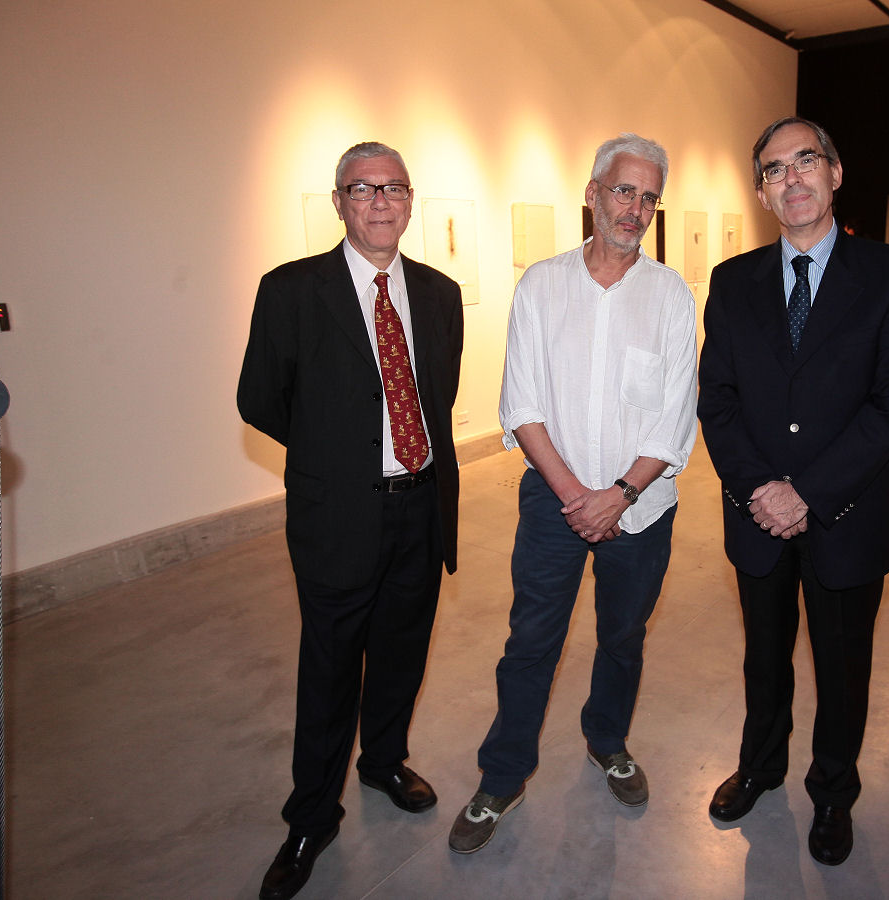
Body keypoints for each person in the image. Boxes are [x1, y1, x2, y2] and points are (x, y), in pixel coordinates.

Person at [447, 134, 697, 854]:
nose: (635, 209)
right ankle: (503, 776)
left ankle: (607, 741)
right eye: (623, 191)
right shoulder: (542, 286)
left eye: (649, 197)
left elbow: (676, 417)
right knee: (531, 641)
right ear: (591, 194)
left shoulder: (671, 297)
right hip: (553, 504)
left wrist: (619, 495)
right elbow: (522, 405)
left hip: (642, 508)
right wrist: (578, 498)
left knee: (622, 638)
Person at [697, 116, 889, 866]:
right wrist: (760, 489)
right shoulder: (733, 281)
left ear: (835, 173)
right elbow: (717, 399)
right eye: (774, 169)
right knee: (763, 658)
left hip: (846, 515)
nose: (791, 178)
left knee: (842, 667)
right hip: (756, 515)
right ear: (762, 193)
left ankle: (833, 792)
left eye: (805, 161)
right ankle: (760, 767)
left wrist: (807, 492)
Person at [238, 141, 463, 900]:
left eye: (393, 187)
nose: (379, 201)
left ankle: (384, 762)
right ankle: (311, 817)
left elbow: (437, 394)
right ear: (338, 201)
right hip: (338, 515)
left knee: (402, 652)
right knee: (330, 670)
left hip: (421, 508)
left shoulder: (437, 293)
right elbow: (259, 400)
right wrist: (334, 457)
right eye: (362, 188)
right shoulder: (291, 290)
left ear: (410, 200)